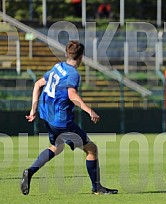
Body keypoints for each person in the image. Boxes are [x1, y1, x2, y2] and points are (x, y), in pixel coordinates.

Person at [21, 40, 118, 195]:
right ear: (81, 57)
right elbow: (72, 95)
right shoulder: (73, 74)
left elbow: (38, 84)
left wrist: (33, 110)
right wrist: (89, 111)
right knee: (92, 149)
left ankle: (30, 171)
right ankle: (97, 188)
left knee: (57, 147)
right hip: (61, 121)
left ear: (67, 53)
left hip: (47, 116)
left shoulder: (57, 67)